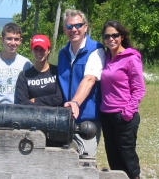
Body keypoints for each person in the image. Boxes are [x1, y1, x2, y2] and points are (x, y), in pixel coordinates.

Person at [100, 20, 145, 179]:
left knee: (127, 157)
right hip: (106, 115)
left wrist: (128, 112)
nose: (111, 39)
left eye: (115, 35)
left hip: (124, 115)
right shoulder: (105, 57)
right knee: (113, 157)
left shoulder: (131, 58)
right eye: (107, 36)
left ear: (122, 36)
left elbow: (139, 89)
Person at [58, 9, 105, 156]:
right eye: (69, 26)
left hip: (87, 120)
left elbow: (90, 79)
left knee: (85, 162)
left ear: (85, 27)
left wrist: (75, 103)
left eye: (78, 25)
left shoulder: (96, 50)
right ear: (64, 29)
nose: (74, 30)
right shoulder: (62, 53)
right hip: (65, 120)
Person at [16, 34, 63, 106]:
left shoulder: (57, 71)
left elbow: (60, 97)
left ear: (49, 50)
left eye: (42, 49)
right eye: (35, 49)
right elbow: (23, 102)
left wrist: (35, 100)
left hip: (55, 115)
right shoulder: (24, 75)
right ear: (31, 50)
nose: (38, 52)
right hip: (33, 116)